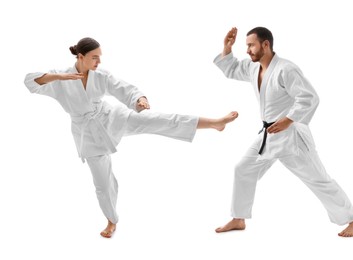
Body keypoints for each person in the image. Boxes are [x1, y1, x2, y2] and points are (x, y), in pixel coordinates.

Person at [24, 37, 239, 238]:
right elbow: (30, 82)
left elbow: (125, 89)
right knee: (103, 183)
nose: (99, 61)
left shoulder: (101, 75)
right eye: (94, 57)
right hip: (87, 135)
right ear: (80, 57)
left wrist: (140, 100)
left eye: (100, 56)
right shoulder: (60, 79)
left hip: (110, 118)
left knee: (158, 119)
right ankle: (111, 220)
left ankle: (214, 123)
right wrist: (59, 77)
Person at [213, 27, 353, 237]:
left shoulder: (286, 69)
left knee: (318, 179)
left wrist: (288, 120)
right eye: (246, 45)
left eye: (251, 45)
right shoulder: (254, 68)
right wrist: (227, 48)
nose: (247, 50)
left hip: (292, 136)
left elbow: (310, 97)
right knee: (243, 169)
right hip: (268, 134)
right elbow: (233, 68)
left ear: (266, 44)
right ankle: (239, 218)